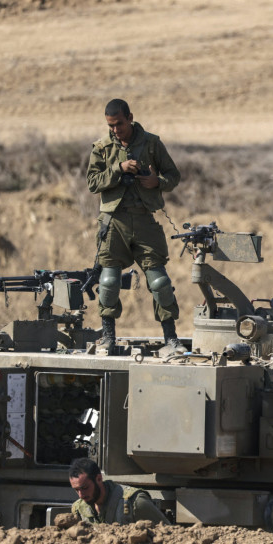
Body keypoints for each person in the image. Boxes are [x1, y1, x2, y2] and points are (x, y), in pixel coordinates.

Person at [86, 98, 184, 356]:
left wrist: (156, 182)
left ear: (130, 117)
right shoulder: (102, 147)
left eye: (119, 123)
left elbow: (173, 176)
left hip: (144, 219)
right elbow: (93, 182)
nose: (115, 129)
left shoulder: (151, 143)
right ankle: (107, 338)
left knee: (160, 281)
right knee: (108, 281)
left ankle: (171, 338)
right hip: (113, 221)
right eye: (110, 125)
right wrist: (118, 168)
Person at [68, 457, 169, 525]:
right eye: (76, 490)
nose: (81, 495)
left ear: (99, 479)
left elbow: (170, 534)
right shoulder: (78, 509)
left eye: (85, 488)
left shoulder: (135, 502)